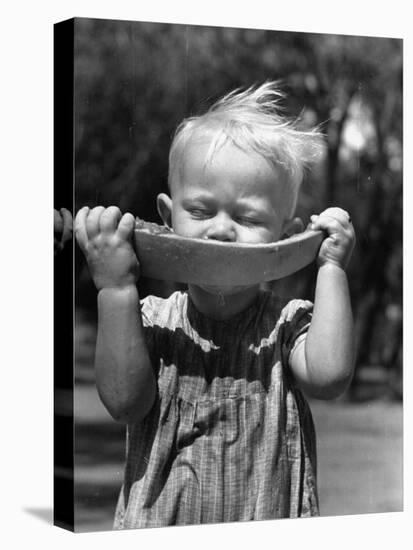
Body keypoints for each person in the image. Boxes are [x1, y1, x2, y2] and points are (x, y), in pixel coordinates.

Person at [75, 82, 356, 528]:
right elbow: (125, 403)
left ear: (286, 237)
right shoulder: (148, 319)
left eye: (247, 218)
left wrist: (331, 268)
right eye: (202, 212)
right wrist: (115, 289)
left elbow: (329, 376)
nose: (222, 230)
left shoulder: (287, 326)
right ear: (168, 220)